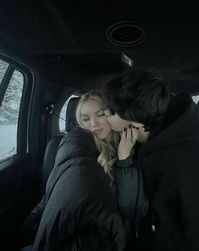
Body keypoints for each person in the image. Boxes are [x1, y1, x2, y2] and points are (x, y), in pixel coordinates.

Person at [101, 68, 199, 251]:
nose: (105, 116)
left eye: (111, 111)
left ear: (135, 120)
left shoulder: (192, 163)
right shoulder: (149, 146)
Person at [20, 90, 149, 250]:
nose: (93, 124)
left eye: (100, 115)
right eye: (85, 119)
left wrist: (124, 160)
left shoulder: (133, 147)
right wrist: (31, 226)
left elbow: (132, 208)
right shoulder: (79, 144)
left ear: (112, 114)